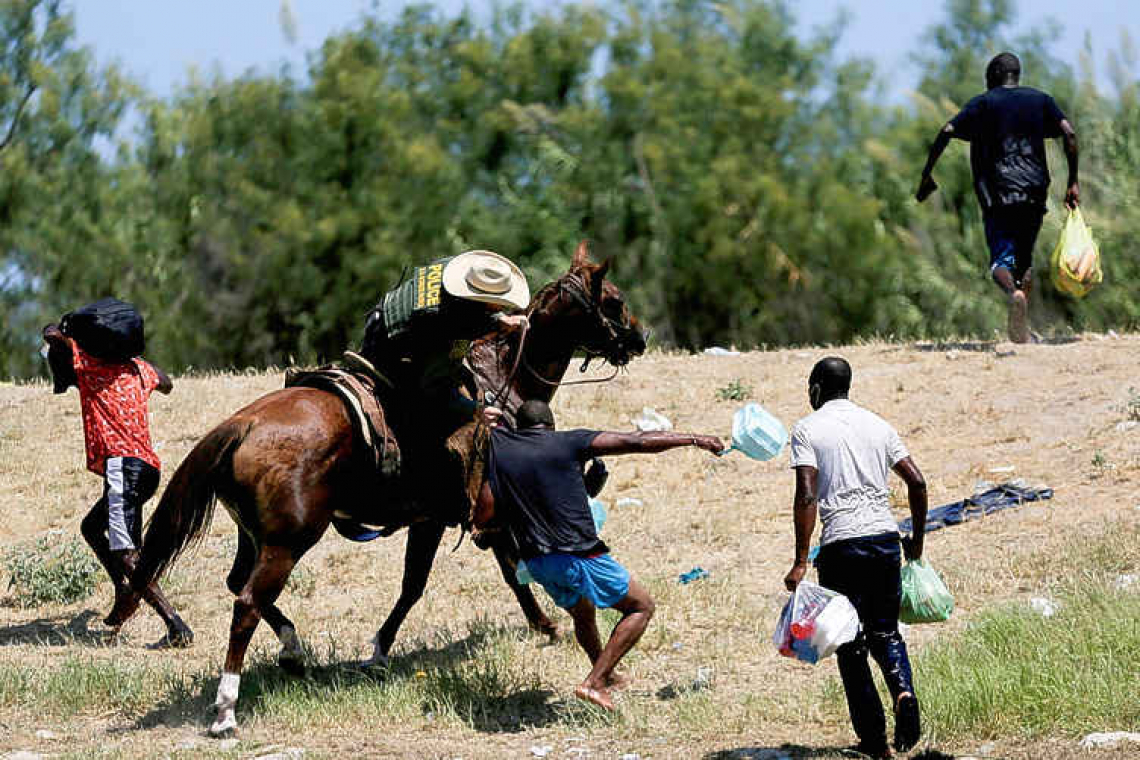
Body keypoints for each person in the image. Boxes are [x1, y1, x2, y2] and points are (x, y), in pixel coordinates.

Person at [480, 399, 723, 711]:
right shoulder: (567, 442)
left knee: (583, 613)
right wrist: (695, 439)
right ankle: (595, 682)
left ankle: (606, 676)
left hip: (537, 563)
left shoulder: (499, 446)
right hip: (578, 555)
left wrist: (485, 417)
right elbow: (635, 442)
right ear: (550, 426)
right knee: (641, 607)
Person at [784, 357, 928, 758]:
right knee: (886, 632)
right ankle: (903, 692)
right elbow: (917, 481)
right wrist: (915, 540)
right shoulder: (878, 424)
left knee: (851, 645)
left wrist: (799, 559)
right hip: (884, 539)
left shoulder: (807, 429)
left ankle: (875, 744)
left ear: (815, 388)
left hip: (841, 546)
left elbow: (807, 494)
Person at [41, 322, 193, 647]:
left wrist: (68, 327)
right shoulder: (136, 369)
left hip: (123, 467)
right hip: (147, 468)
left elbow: (51, 334)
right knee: (93, 528)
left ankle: (175, 625)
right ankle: (124, 589)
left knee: (125, 551)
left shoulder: (91, 368)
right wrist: (137, 361)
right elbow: (167, 383)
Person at [917, 51, 1079, 343]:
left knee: (1001, 259)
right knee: (1024, 258)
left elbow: (947, 129)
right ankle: (1023, 330)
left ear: (992, 76)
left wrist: (927, 174)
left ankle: (1013, 294)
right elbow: (1069, 133)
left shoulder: (983, 103)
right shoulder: (1040, 100)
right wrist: (1073, 181)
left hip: (998, 192)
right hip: (1034, 189)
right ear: (1016, 75)